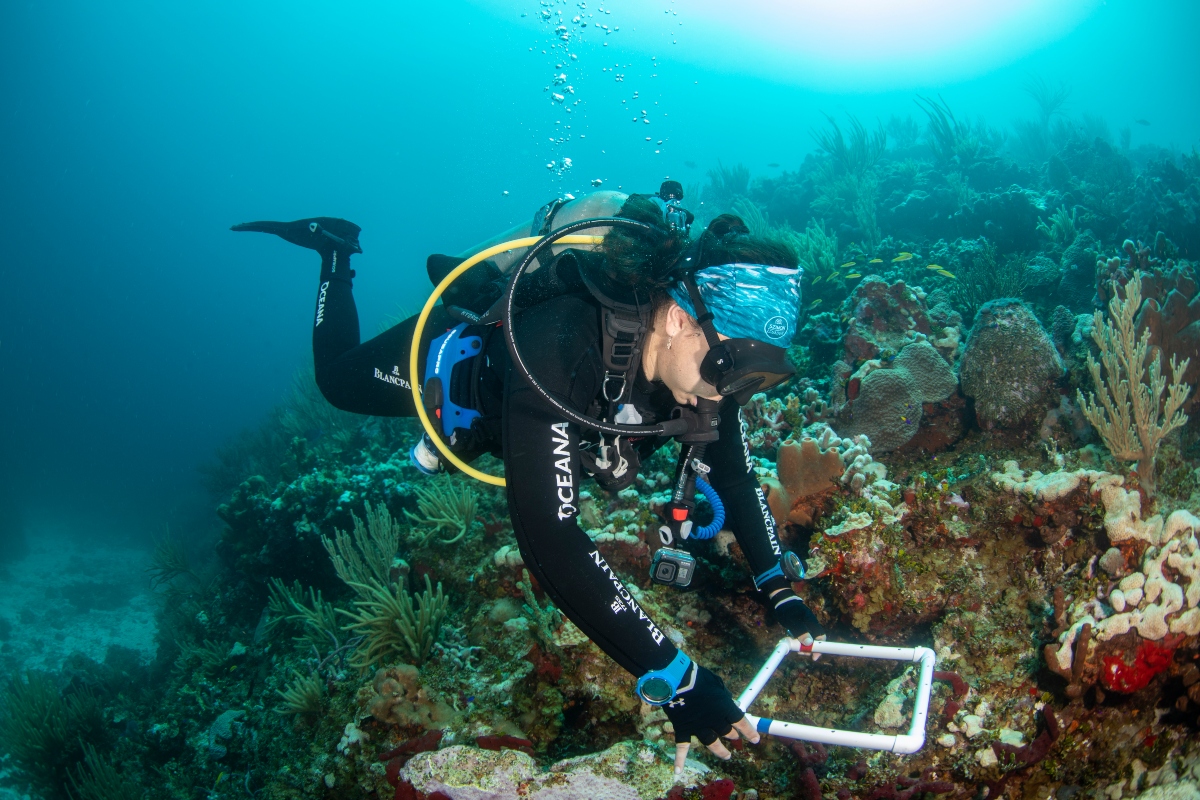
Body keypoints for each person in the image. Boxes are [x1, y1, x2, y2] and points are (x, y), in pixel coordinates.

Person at [232, 184, 826, 774]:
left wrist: (777, 586)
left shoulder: (708, 377)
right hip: (465, 373)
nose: (731, 394)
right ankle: (336, 250)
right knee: (338, 384)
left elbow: (736, 476)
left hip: (551, 407)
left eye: (758, 379)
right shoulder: (561, 340)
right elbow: (551, 536)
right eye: (730, 368)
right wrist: (675, 676)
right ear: (677, 317)